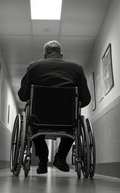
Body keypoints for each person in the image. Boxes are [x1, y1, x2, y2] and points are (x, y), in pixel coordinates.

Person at [18, 40, 91, 174]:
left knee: (33, 125)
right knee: (73, 124)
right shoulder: (77, 68)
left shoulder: (34, 66)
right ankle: (61, 158)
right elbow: (85, 99)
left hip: (39, 117)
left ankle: (43, 161)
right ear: (61, 55)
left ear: (45, 55)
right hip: (67, 118)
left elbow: (23, 96)